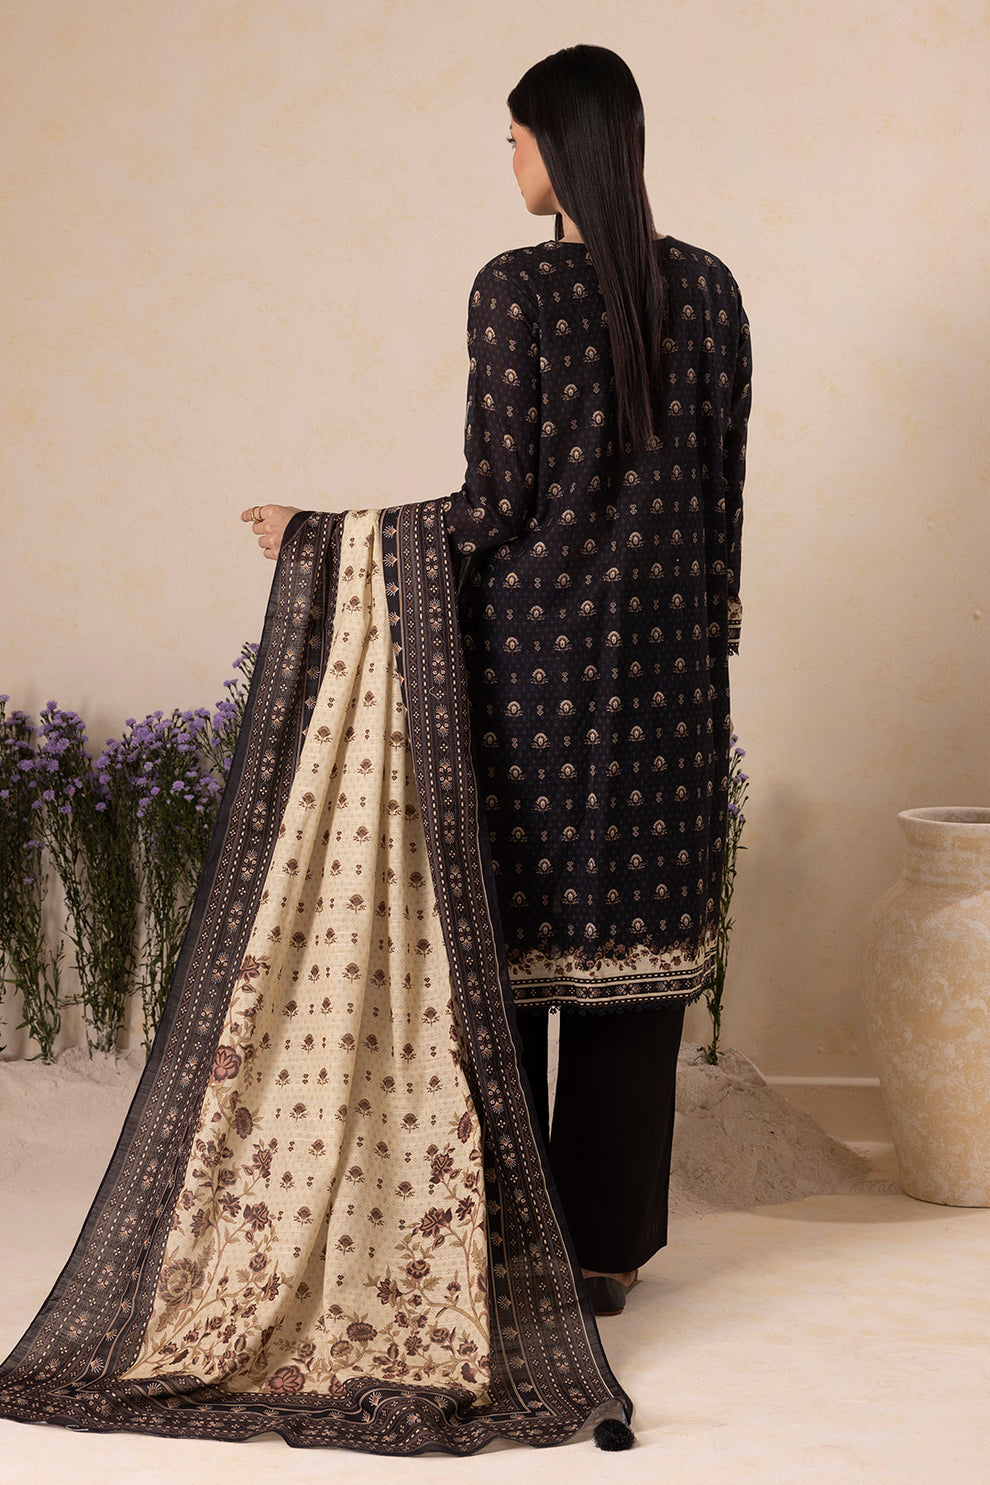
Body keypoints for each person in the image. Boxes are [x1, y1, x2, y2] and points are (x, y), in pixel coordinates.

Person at [244, 45, 750, 1319]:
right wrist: (699, 635)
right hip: (672, 686)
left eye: (514, 138)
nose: (508, 160)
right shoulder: (711, 290)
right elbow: (722, 500)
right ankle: (607, 1254)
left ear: (559, 147)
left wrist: (323, 534)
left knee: (503, 958)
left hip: (530, 673)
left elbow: (491, 510)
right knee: (636, 973)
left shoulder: (515, 288)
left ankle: (505, 1240)